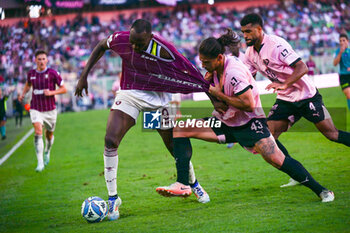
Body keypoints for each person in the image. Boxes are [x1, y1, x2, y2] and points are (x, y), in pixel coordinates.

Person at [156, 31, 334, 203]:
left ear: (219, 58)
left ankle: (322, 190)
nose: (204, 65)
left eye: (206, 62)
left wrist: (217, 93)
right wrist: (211, 93)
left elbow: (248, 104)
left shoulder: (234, 73)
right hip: (226, 121)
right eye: (201, 61)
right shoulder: (217, 67)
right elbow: (212, 91)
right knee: (180, 129)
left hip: (249, 124)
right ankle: (183, 184)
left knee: (278, 160)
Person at [75, 19, 210, 221]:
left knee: (174, 147)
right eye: (132, 42)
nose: (135, 47)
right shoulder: (121, 40)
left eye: (140, 43)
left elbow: (189, 71)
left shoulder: (165, 50)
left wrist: (212, 94)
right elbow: (101, 45)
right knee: (110, 140)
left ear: (150, 37)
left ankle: (194, 183)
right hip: (131, 93)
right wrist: (84, 75)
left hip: (159, 101)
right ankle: (113, 198)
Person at [240, 13, 350, 187]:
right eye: (243, 32)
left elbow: (302, 67)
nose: (245, 36)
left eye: (248, 31)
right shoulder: (249, 53)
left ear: (259, 30)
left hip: (306, 95)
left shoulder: (276, 44)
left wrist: (284, 84)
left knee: (332, 134)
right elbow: (247, 79)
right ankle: (297, 174)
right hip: (285, 99)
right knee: (269, 137)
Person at [19, 50, 67, 172]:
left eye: (43, 59)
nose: (41, 61)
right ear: (35, 60)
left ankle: (47, 151)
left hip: (50, 110)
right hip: (35, 108)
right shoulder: (31, 73)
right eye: (39, 59)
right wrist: (23, 94)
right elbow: (28, 84)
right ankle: (40, 163)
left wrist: (52, 92)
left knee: (49, 134)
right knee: (38, 130)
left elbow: (64, 89)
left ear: (47, 60)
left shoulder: (53, 73)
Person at [333, 33, 350, 111]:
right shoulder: (337, 51)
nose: (342, 42)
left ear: (347, 41)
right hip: (343, 77)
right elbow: (335, 63)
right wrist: (340, 53)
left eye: (343, 40)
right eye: (340, 41)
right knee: (349, 94)